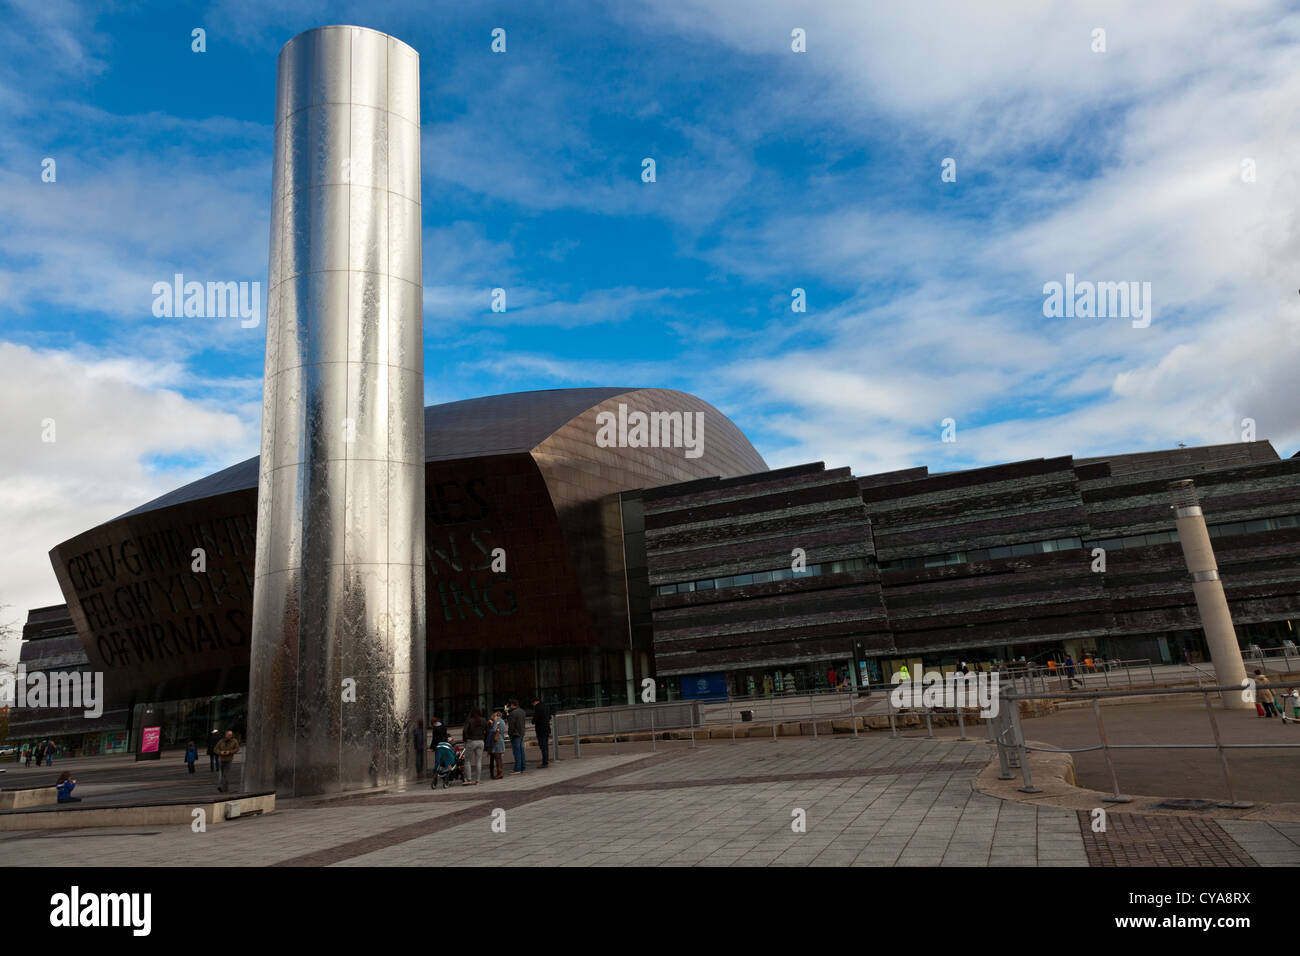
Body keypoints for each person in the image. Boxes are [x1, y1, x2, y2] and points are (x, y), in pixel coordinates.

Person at [462, 706, 487, 785]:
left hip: (471, 741)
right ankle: (478, 780)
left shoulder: (469, 720)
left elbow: (465, 731)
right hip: (481, 741)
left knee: (467, 761)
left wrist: (465, 740)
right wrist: (484, 738)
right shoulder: (483, 720)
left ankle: (469, 779)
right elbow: (488, 731)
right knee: (478, 761)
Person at [507, 699, 527, 774]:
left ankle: (518, 768)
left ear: (513, 705)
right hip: (521, 733)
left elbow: (511, 725)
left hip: (515, 734)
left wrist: (510, 733)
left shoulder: (513, 713)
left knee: (516, 752)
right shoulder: (522, 711)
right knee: (522, 751)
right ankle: (523, 767)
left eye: (510, 705)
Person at [531, 697, 551, 769]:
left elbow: (534, 719)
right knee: (545, 746)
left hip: (540, 730)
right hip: (547, 729)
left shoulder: (537, 708)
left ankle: (545, 762)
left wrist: (532, 721)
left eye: (533, 703)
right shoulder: (546, 706)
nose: (533, 705)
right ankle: (546, 761)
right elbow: (549, 717)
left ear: (535, 702)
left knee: (543, 746)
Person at [487, 709, 507, 780]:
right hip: (501, 740)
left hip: (497, 741)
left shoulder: (497, 721)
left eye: (493, 716)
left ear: (495, 716)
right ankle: (500, 772)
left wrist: (490, 728)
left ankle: (499, 773)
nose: (492, 718)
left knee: (497, 758)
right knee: (499, 758)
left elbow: (494, 730)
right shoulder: (502, 721)